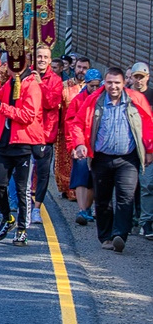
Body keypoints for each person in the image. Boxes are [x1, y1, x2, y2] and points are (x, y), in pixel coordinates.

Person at [70, 67, 153, 252]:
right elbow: (77, 123)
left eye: (117, 83)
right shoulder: (94, 100)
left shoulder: (136, 99)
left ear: (124, 83)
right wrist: (79, 144)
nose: (113, 86)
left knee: (126, 197)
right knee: (103, 199)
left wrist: (149, 149)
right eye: (109, 82)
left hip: (128, 158)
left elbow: (148, 123)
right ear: (104, 83)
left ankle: (119, 236)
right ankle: (106, 237)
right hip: (101, 158)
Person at [0, 54, 44, 246]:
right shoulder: (9, 83)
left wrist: (3, 107)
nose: (13, 68)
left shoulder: (31, 85)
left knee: (22, 189)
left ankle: (22, 228)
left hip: (23, 144)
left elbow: (29, 115)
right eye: (10, 65)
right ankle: (7, 218)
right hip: (5, 143)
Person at [30, 44, 64, 224]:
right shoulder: (26, 75)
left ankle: (37, 207)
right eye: (39, 57)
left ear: (50, 60)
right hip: (27, 130)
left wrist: (40, 84)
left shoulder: (55, 80)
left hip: (45, 132)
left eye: (45, 57)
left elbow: (51, 102)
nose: (42, 60)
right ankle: (23, 202)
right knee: (24, 170)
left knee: (43, 172)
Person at [63, 68, 102, 225]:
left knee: (93, 178)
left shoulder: (102, 99)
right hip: (80, 145)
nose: (94, 89)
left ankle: (87, 208)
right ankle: (81, 209)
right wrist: (72, 145)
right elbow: (70, 124)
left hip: (96, 145)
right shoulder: (78, 100)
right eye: (91, 85)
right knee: (80, 176)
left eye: (96, 85)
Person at [56, 57, 90, 200]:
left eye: (84, 68)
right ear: (74, 68)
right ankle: (68, 189)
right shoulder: (64, 86)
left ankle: (81, 191)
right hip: (65, 131)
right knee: (65, 162)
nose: (81, 70)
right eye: (79, 67)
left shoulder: (90, 88)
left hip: (84, 133)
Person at [130, 63, 153, 238]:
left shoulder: (151, 95)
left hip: (148, 147)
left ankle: (145, 221)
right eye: (136, 77)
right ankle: (129, 218)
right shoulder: (126, 95)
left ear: (148, 77)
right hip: (129, 146)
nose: (138, 80)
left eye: (141, 77)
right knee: (129, 185)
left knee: (147, 184)